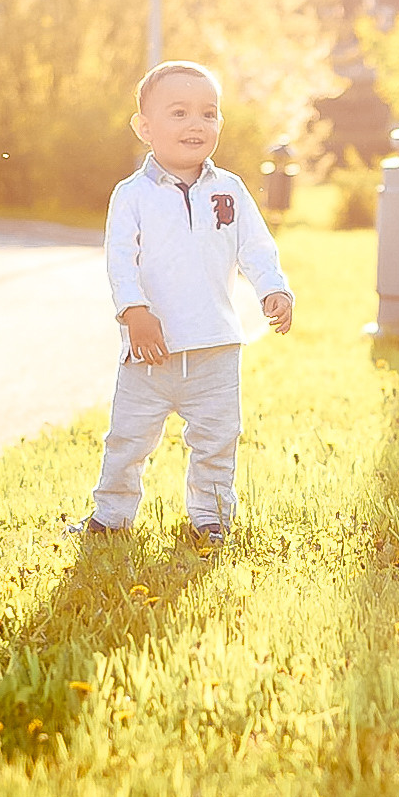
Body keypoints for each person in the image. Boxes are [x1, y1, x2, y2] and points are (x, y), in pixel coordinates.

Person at [74, 61, 295, 546]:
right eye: (179, 113)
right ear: (145, 128)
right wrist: (134, 311)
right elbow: (120, 260)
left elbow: (255, 248)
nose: (196, 124)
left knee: (217, 441)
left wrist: (272, 288)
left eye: (208, 114)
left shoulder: (229, 190)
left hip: (216, 346)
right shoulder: (132, 195)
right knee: (127, 440)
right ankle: (110, 516)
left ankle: (210, 518)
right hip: (150, 352)